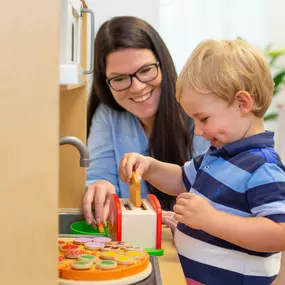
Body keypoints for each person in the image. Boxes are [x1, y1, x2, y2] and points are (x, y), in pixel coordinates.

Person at [118, 39, 285, 285]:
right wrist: (149, 166)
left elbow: (279, 234)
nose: (198, 131)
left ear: (242, 103)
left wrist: (212, 221)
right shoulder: (219, 155)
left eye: (203, 118)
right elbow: (179, 180)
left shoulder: (264, 168)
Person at [82, 16, 209, 229]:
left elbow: (213, 189)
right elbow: (99, 176)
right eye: (120, 79)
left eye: (145, 70)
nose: (137, 87)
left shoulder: (196, 111)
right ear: (106, 83)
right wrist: (99, 186)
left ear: (162, 63)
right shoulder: (108, 115)